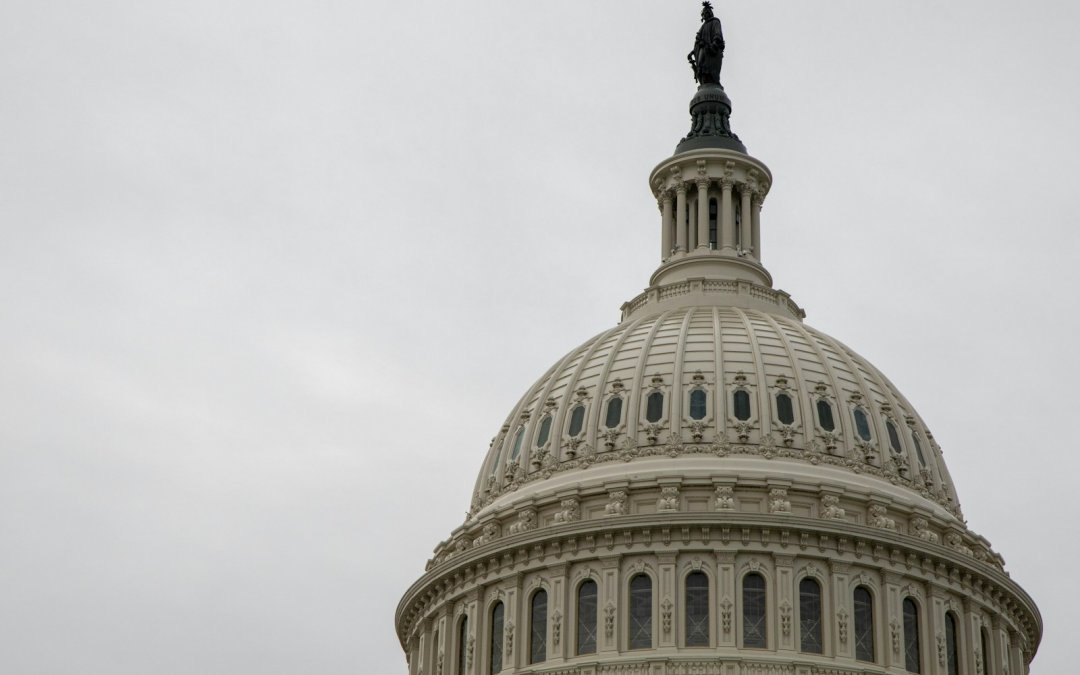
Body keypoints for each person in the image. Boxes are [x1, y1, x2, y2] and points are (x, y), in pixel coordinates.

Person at [688, 1, 725, 85]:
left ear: (710, 13)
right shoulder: (703, 26)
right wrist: (693, 52)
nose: (705, 15)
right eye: (704, 14)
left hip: (712, 49)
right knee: (701, 68)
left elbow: (717, 33)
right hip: (702, 49)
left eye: (707, 13)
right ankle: (704, 83)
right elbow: (698, 40)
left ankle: (712, 83)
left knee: (711, 68)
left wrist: (714, 44)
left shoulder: (715, 22)